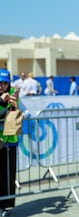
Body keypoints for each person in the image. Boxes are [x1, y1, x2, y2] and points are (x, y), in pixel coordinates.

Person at [0, 69, 20, 216]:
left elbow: (16, 116)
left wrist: (13, 103)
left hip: (9, 142)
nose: (2, 86)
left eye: (5, 83)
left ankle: (6, 204)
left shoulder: (12, 94)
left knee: (8, 176)